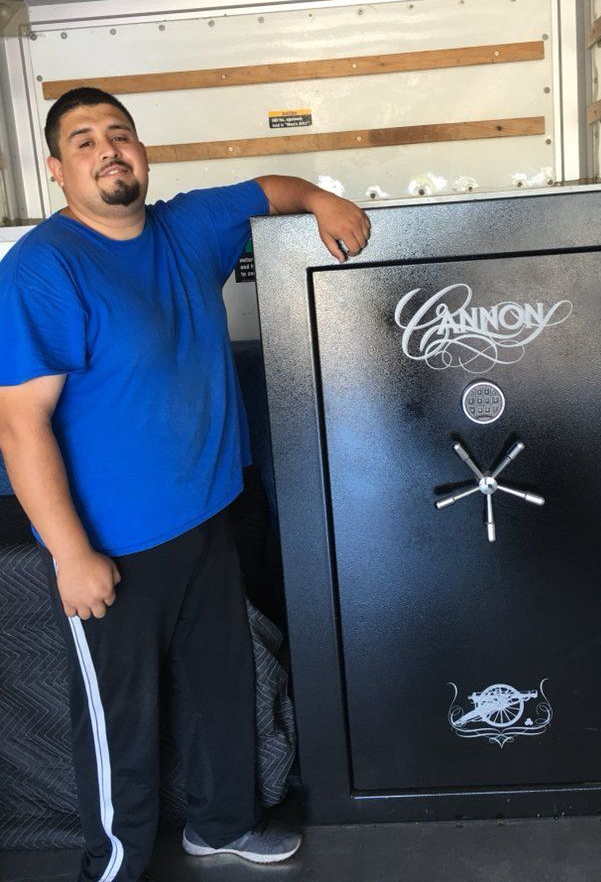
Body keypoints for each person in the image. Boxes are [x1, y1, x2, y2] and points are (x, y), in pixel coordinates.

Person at [0, 86, 371, 882]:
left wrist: (321, 201)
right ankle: (113, 869)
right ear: (57, 169)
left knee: (222, 686)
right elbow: (19, 427)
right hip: (111, 544)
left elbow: (270, 188)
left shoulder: (188, 225)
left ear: (142, 151)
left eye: (120, 134)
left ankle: (223, 825)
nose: (108, 149)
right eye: (84, 140)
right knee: (120, 724)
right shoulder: (43, 268)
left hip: (206, 518)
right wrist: (70, 555)